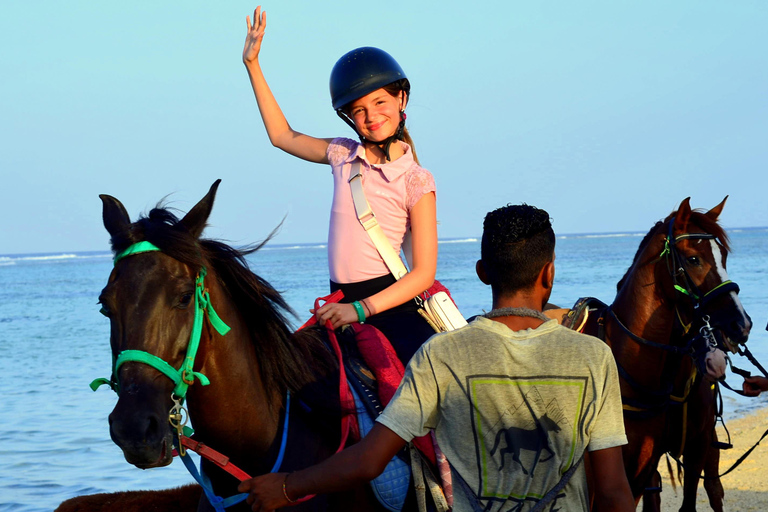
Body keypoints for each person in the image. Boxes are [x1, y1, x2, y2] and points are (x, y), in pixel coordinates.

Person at [238, 204, 635, 512]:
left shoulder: (442, 354)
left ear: (481, 272)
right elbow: (615, 491)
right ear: (548, 273)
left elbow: (369, 461)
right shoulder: (592, 357)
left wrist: (287, 486)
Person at [242, 7, 437, 363]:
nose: (372, 116)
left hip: (387, 307)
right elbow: (281, 135)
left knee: (422, 394)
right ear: (349, 117)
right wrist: (252, 64)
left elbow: (424, 273)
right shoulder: (342, 154)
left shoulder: (416, 179)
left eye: (380, 102)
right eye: (359, 109)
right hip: (338, 304)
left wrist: (361, 310)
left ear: (401, 100)